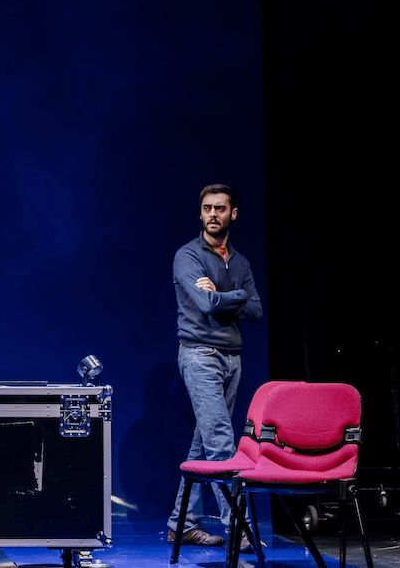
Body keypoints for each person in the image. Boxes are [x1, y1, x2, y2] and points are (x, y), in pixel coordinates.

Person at [166, 184, 262, 547]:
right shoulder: (188, 256)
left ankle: (181, 523)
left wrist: (226, 295)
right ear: (200, 212)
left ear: (232, 213)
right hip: (199, 355)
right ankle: (240, 528)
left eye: (220, 209)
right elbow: (206, 304)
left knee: (202, 446)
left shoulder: (240, 263)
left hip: (232, 358)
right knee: (222, 442)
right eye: (206, 208)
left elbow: (256, 309)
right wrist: (235, 297)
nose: (212, 215)